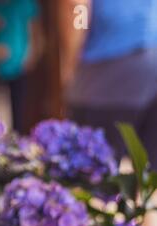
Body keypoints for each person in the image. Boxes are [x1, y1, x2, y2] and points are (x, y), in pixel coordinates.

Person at [62, 0, 157, 168]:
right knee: (146, 172)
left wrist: (67, 65)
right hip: (150, 59)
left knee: (95, 169)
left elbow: (77, 8)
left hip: (108, 71)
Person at [0, 0, 43, 134]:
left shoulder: (26, 4)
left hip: (20, 67)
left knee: (19, 112)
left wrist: (33, 56)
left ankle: (15, 147)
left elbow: (36, 32)